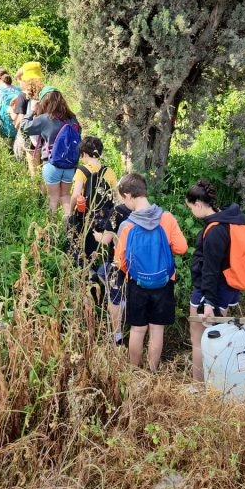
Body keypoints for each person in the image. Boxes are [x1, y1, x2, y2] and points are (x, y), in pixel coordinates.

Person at [114, 173, 187, 372]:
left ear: (128, 195)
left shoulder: (127, 226)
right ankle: (153, 372)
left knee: (137, 330)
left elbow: (120, 261)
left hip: (137, 284)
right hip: (164, 283)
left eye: (123, 198)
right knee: (157, 330)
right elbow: (182, 248)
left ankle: (135, 373)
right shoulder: (167, 218)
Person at [185, 179, 245, 384]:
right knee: (217, 339)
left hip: (209, 292)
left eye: (191, 207)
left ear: (199, 204)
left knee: (199, 341)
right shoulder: (230, 221)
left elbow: (210, 269)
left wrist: (208, 302)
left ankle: (199, 387)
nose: (191, 211)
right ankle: (217, 385)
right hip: (227, 290)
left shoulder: (214, 230)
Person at [20, 89, 80, 215]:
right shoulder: (72, 119)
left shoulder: (44, 119)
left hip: (51, 163)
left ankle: (52, 230)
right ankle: (68, 227)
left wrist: (32, 110)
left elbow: (24, 127)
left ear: (44, 102)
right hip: (70, 165)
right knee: (65, 196)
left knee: (53, 199)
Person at [69, 136, 118, 262]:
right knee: (94, 246)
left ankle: (80, 266)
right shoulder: (109, 171)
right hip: (103, 216)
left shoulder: (82, 170)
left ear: (84, 154)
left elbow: (75, 195)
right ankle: (94, 266)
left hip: (84, 215)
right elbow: (116, 196)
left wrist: (70, 212)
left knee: (78, 244)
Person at [94, 199, 132, 346]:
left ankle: (117, 337)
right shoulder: (141, 210)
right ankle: (123, 302)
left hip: (117, 260)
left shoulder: (118, 210)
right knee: (101, 272)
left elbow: (106, 240)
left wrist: (97, 235)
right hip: (133, 260)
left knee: (114, 297)